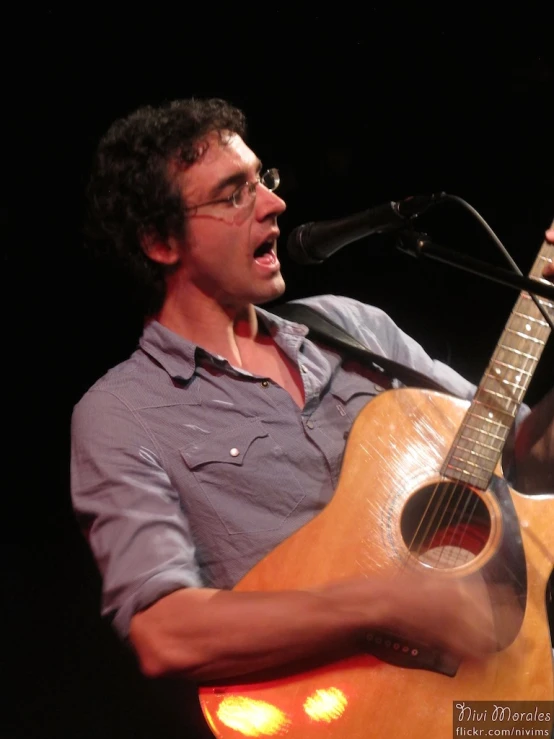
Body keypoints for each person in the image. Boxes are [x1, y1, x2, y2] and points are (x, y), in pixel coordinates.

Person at [71, 98, 554, 695]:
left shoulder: (350, 327)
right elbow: (164, 632)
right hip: (350, 717)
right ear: (160, 242)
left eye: (262, 180)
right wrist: (378, 604)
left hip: (496, 695)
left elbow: (525, 453)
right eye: (232, 194)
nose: (274, 204)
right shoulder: (122, 415)